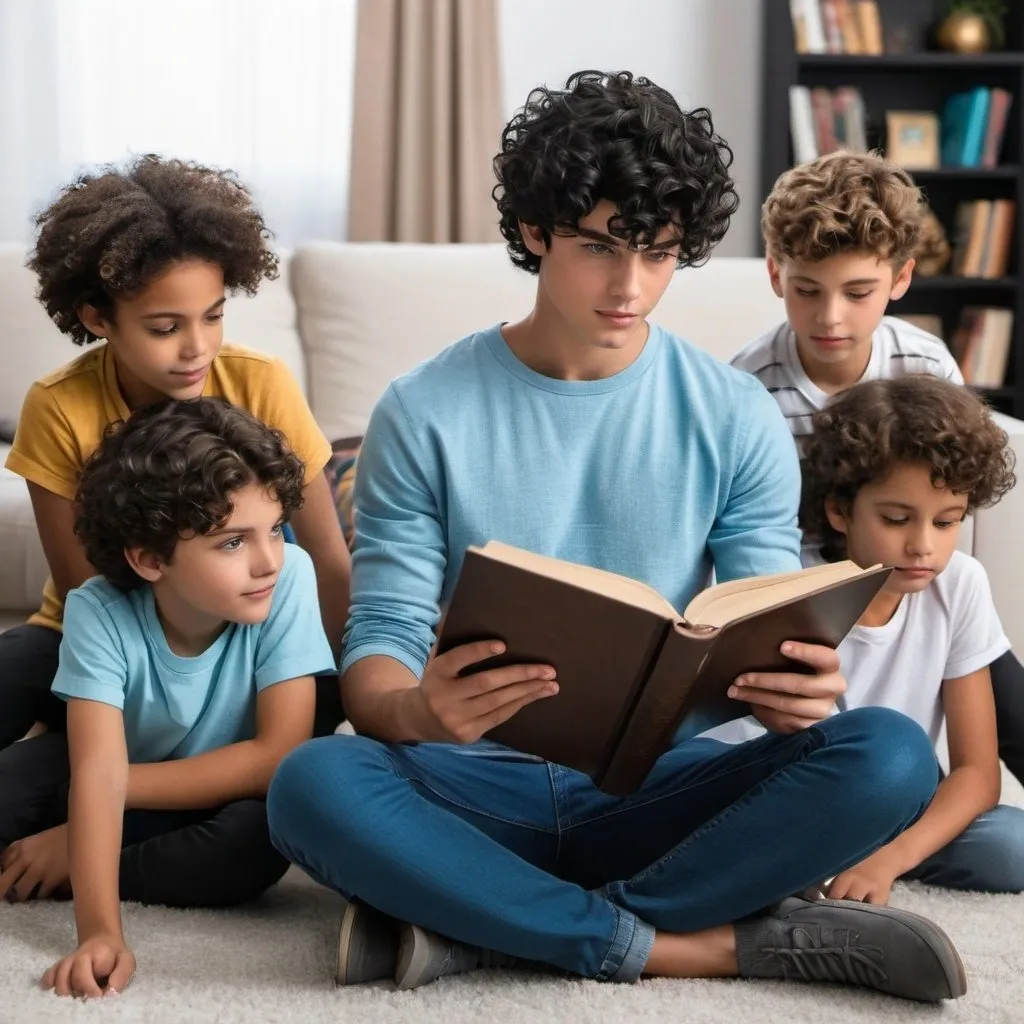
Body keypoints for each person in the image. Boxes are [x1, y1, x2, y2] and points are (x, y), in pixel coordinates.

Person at [265, 72, 964, 1002]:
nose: (631, 286)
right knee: (312, 783)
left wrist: (798, 688)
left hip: (662, 789)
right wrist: (418, 715)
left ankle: (486, 929)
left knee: (891, 756)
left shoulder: (734, 415)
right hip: (472, 784)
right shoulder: (422, 410)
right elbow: (380, 645)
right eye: (600, 246)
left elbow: (762, 617)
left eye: (660, 253)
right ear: (533, 233)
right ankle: (692, 944)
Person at [1, 155, 349, 751]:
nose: (198, 349)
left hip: (238, 636)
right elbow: (90, 590)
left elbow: (326, 559)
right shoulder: (58, 406)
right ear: (97, 318)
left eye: (213, 317)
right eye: (165, 328)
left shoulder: (260, 382)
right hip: (103, 641)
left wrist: (356, 685)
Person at [0, 398, 336, 998]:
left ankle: (78, 865)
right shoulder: (97, 611)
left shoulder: (289, 579)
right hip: (107, 768)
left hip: (218, 787)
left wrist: (77, 841)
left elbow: (276, 753)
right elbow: (94, 768)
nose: (267, 562)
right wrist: (99, 934)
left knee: (257, 843)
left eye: (274, 530)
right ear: (150, 558)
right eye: (233, 543)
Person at [729, 149, 1024, 787]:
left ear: (900, 278)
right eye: (807, 289)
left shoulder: (926, 362)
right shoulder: (745, 388)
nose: (830, 317)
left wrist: (931, 566)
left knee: (978, 624)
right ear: (777, 275)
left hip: (912, 571)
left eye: (858, 292)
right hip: (805, 593)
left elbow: (953, 493)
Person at [798, 377, 1024, 900]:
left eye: (947, 522)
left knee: (1012, 846)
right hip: (806, 804)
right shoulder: (794, 584)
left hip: (902, 808)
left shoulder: (961, 584)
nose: (923, 545)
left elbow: (976, 772)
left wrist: (888, 862)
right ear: (840, 510)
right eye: (896, 519)